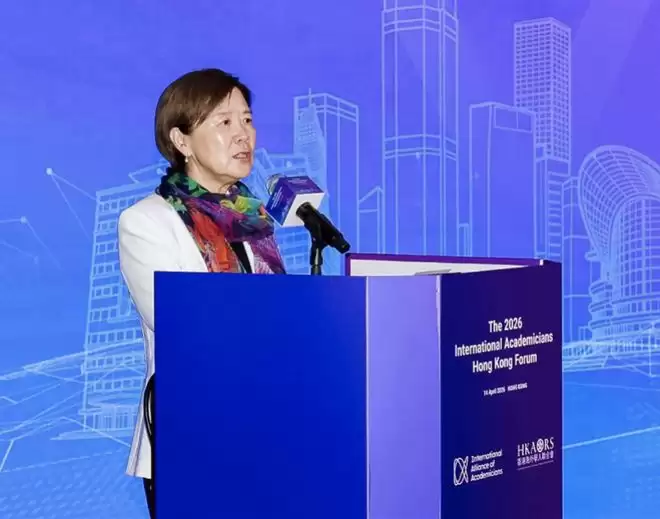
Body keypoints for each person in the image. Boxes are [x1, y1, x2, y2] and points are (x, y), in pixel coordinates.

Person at [117, 68, 286, 517]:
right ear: (182, 141)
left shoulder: (253, 221)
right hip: (192, 437)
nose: (243, 134)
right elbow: (181, 325)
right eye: (224, 122)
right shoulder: (147, 222)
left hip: (271, 433)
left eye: (247, 120)